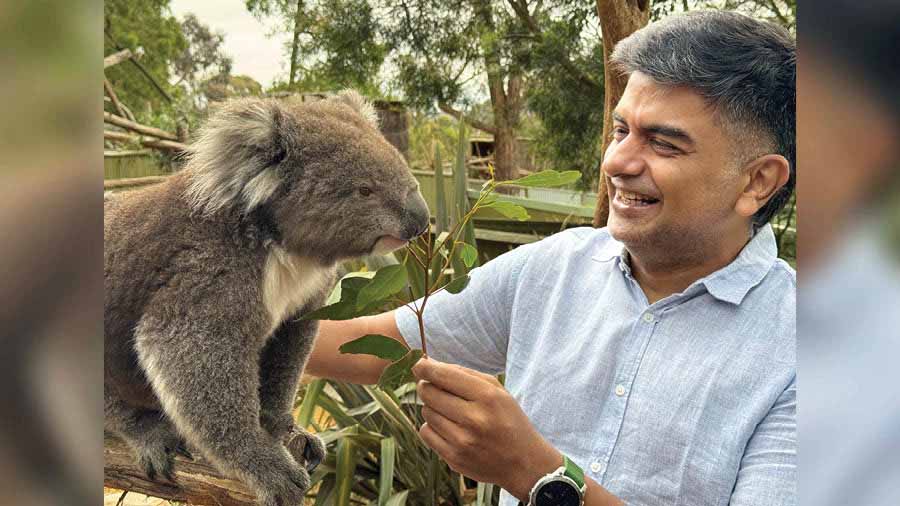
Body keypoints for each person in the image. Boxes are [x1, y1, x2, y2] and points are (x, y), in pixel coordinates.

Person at [307, 10, 796, 506]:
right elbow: (373, 344)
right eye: (621, 130)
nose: (617, 162)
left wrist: (537, 475)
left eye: (664, 144)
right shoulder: (554, 269)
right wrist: (235, 323)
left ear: (757, 182)